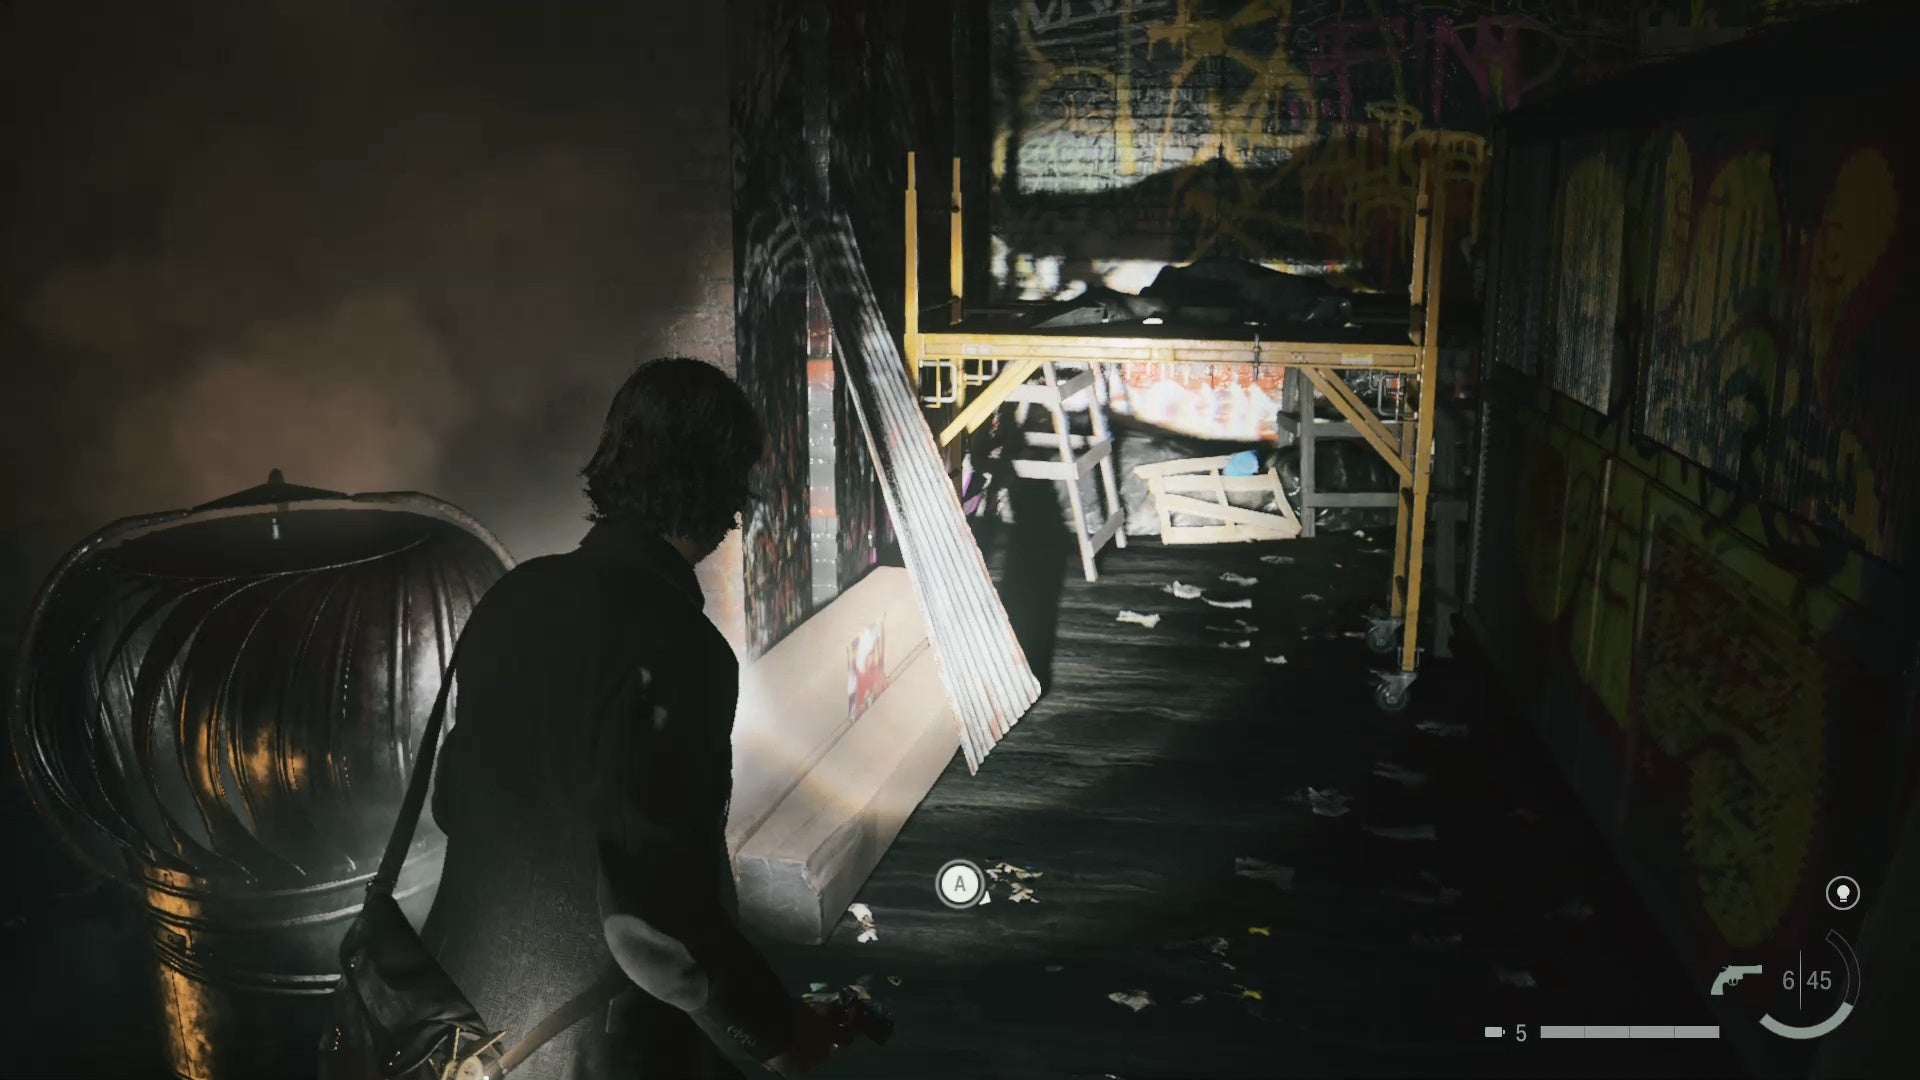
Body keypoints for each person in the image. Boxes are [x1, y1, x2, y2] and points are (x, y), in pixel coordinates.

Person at [421, 357, 840, 1078]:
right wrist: (776, 1036)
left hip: (461, 1016)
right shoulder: (684, 649)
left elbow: (453, 802)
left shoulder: (514, 596)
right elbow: (651, 920)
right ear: (719, 488)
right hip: (590, 1042)